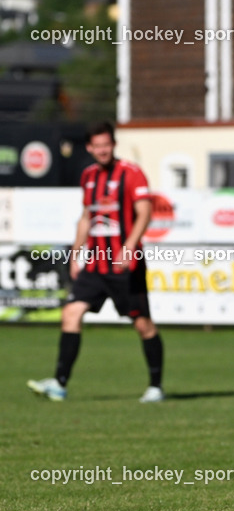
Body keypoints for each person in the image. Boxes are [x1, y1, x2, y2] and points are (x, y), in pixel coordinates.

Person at [28, 121, 165, 403]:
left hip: (125, 266)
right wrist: (77, 253)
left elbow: (145, 213)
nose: (102, 151)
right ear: (89, 147)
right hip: (96, 265)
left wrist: (129, 247)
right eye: (97, 146)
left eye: (107, 145)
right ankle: (59, 384)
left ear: (113, 145)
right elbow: (87, 218)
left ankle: (155, 387)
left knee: (143, 325)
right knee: (71, 313)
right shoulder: (88, 175)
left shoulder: (131, 173)